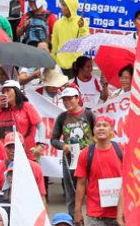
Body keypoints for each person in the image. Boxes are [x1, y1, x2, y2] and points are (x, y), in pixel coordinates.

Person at [50, 87, 96, 218]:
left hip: (89, 158)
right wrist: (63, 145)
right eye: (64, 99)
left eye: (70, 98)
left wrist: (93, 150)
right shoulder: (62, 117)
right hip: (70, 159)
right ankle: (74, 217)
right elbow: (53, 139)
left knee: (92, 190)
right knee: (71, 192)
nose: (67, 102)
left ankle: (94, 217)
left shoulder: (89, 115)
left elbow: (98, 134)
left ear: (77, 98)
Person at [75, 116, 123, 226]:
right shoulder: (85, 154)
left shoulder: (121, 150)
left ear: (111, 129)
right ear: (93, 130)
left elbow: (129, 181)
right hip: (96, 214)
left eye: (105, 125)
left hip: (119, 213)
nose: (101, 128)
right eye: (98, 126)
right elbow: (81, 184)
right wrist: (77, 211)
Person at [0, 133, 47, 206]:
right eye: (9, 147)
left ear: (23, 147)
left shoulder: (36, 168)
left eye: (16, 147)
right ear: (5, 148)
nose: (13, 150)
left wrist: (45, 216)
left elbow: (42, 197)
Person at [0, 80, 44, 159]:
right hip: (5, 157)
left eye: (8, 90)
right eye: (3, 92)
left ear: (16, 92)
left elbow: (41, 126)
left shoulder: (26, 107)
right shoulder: (0, 110)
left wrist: (41, 144)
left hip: (26, 156)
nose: (5, 94)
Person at [51, 0, 89, 70]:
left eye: (64, 5)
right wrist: (53, 61)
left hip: (76, 65)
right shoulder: (58, 23)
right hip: (59, 66)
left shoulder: (81, 21)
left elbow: (85, 40)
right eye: (62, 5)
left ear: (70, 7)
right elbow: (54, 45)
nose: (61, 8)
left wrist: (81, 28)